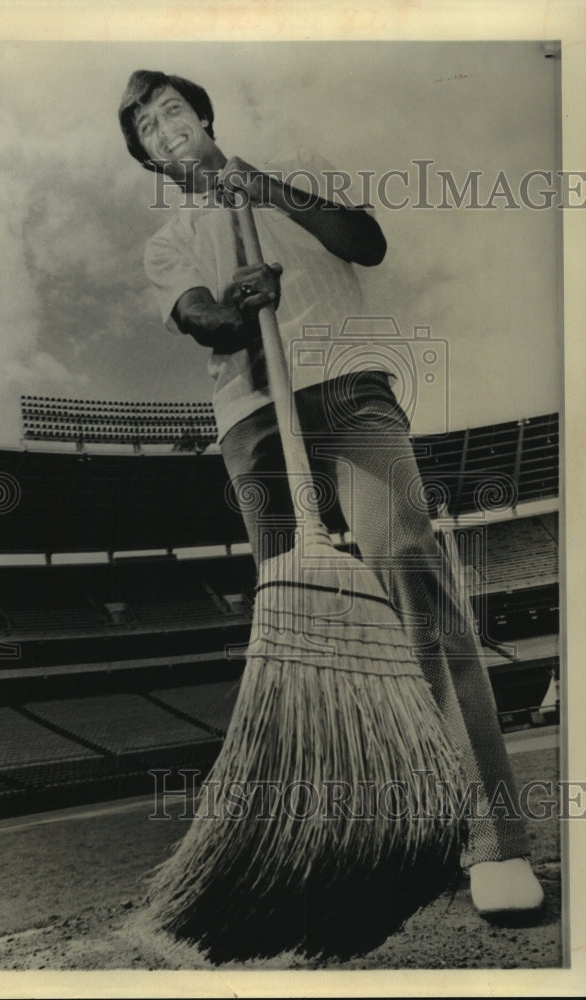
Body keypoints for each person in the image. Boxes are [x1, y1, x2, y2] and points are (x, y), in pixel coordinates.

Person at [118, 69, 544, 920]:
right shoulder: (163, 244)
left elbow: (364, 240)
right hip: (251, 416)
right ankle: (330, 837)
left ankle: (493, 840)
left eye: (174, 112)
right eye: (148, 130)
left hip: (345, 385)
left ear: (202, 118)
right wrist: (238, 309)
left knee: (408, 564)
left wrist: (264, 189)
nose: (167, 130)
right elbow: (203, 320)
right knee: (292, 613)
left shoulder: (293, 165)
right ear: (146, 159)